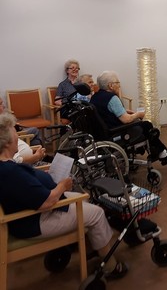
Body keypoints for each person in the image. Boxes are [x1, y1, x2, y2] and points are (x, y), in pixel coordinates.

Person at [0, 112, 128, 279]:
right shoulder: (11, 173)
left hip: (31, 214)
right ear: (8, 141)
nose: (18, 136)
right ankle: (110, 266)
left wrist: (43, 174)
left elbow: (26, 184)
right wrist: (62, 185)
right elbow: (48, 201)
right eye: (15, 132)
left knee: (86, 198)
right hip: (36, 220)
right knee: (97, 213)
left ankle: (91, 245)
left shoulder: (6, 166)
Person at [90, 71, 167, 166]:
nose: (119, 85)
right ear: (111, 85)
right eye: (117, 83)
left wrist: (124, 110)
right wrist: (138, 114)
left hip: (101, 134)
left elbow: (106, 111)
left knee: (144, 125)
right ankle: (163, 153)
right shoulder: (112, 98)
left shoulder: (95, 97)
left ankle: (161, 152)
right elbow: (126, 120)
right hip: (115, 133)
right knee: (146, 125)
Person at [0, 96, 46, 165]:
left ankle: (40, 159)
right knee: (35, 131)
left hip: (25, 160)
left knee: (36, 140)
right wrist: (36, 156)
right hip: (23, 166)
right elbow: (14, 161)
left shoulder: (3, 122)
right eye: (0, 104)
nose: (3, 106)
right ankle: (40, 159)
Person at [55, 59, 81, 123]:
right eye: (72, 68)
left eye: (77, 68)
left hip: (81, 107)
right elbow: (57, 101)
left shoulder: (82, 83)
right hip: (68, 109)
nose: (75, 69)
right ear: (67, 70)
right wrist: (68, 104)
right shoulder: (62, 85)